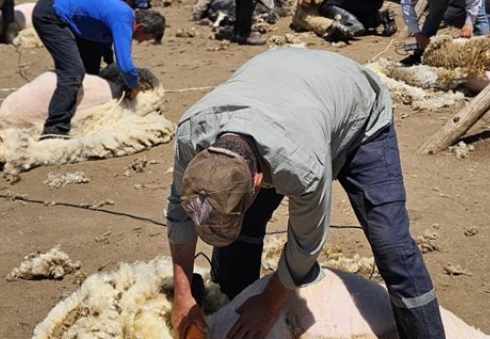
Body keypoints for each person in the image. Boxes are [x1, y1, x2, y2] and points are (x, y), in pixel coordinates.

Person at [166, 48, 447, 339]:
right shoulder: (191, 136)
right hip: (285, 87)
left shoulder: (300, 165)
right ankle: (231, 309)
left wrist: (269, 302)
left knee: (392, 245)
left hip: (359, 113)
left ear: (258, 180)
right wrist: (183, 296)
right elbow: (179, 212)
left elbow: (306, 244)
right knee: (236, 226)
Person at [30, 0, 165, 138]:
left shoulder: (125, 14)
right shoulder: (123, 20)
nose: (140, 42)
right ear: (140, 27)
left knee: (91, 68)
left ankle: (82, 112)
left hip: (65, 15)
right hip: (52, 15)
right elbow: (125, 65)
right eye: (145, 38)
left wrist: (109, 62)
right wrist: (134, 85)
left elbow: (103, 39)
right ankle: (54, 129)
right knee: (73, 72)